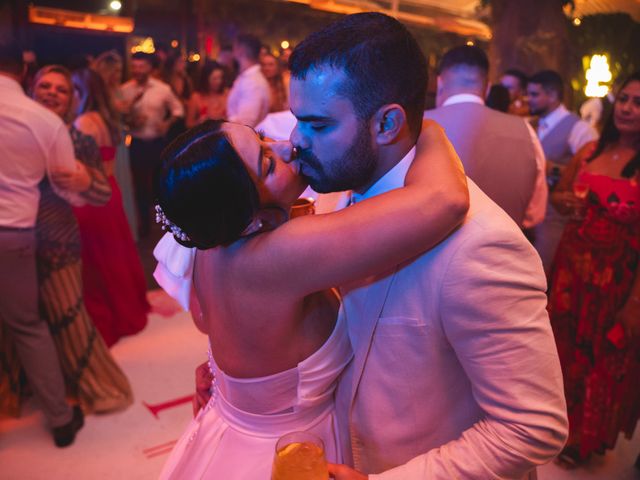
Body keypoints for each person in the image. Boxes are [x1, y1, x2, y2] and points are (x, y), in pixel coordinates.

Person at [193, 13, 567, 479]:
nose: (295, 141)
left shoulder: (481, 247)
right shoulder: (326, 193)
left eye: (318, 124)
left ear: (387, 123)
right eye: (296, 120)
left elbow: (533, 427)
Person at [154, 116, 468, 479]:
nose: (286, 146)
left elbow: (206, 319)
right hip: (287, 450)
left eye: (262, 137)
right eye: (268, 164)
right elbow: (444, 200)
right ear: (251, 218)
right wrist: (425, 125)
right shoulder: (279, 255)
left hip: (229, 422)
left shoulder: (206, 240)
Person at [0, 65, 134, 415]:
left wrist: (85, 181)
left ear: (72, 99)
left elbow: (103, 193)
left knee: (68, 319)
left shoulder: (79, 140)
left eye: (61, 89)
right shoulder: (13, 129)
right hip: (14, 240)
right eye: (45, 86)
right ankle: (23, 391)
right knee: (15, 326)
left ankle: (98, 390)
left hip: (57, 243)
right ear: (31, 89)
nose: (51, 93)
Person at [546, 72, 640, 468]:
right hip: (571, 272)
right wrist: (567, 202)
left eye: (638, 103)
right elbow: (559, 194)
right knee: (558, 351)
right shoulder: (588, 152)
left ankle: (582, 439)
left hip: (616, 281)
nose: (628, 108)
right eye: (624, 99)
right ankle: (549, 427)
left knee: (599, 358)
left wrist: (635, 301)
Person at [0, 42, 84, 447]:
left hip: (31, 238)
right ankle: (61, 419)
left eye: (60, 89)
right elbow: (67, 182)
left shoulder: (61, 125)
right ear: (24, 74)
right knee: (27, 328)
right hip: (14, 234)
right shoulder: (42, 122)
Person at [425, 45, 547, 230]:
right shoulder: (526, 131)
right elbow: (534, 214)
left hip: (428, 256)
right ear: (488, 88)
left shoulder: (418, 124)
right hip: (503, 253)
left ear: (440, 83)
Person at [72, 67, 150, 347]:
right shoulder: (106, 120)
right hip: (111, 191)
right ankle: (127, 308)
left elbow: (79, 169)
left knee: (97, 260)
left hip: (93, 195)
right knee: (115, 253)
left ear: (79, 92)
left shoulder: (82, 123)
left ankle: (109, 316)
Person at [528, 69, 599, 275]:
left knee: (542, 275)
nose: (528, 99)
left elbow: (590, 173)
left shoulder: (579, 129)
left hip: (554, 218)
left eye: (534, 94)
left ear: (552, 95)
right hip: (529, 212)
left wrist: (554, 168)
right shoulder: (531, 124)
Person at [120, 52, 184, 237]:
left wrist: (167, 122)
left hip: (157, 143)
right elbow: (120, 118)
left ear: (150, 67)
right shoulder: (125, 89)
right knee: (138, 186)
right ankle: (144, 227)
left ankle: (166, 224)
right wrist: (130, 120)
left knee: (160, 183)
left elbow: (178, 110)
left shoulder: (162, 89)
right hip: (136, 143)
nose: (137, 70)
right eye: (134, 66)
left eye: (141, 66)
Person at [91, 50, 138, 237]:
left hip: (121, 139)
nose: (118, 75)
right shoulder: (98, 93)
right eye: (115, 71)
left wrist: (129, 112)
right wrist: (116, 109)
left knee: (124, 182)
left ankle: (124, 228)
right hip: (109, 140)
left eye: (120, 71)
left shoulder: (118, 90)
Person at [226, 34, 271, 127]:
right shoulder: (247, 78)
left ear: (241, 50)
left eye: (234, 48)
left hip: (243, 138)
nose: (232, 52)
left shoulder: (252, 82)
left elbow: (245, 124)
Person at [186, 61, 228, 128]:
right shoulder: (196, 97)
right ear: (205, 79)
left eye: (220, 77)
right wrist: (199, 123)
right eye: (214, 79)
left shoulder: (228, 93)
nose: (219, 81)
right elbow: (188, 124)